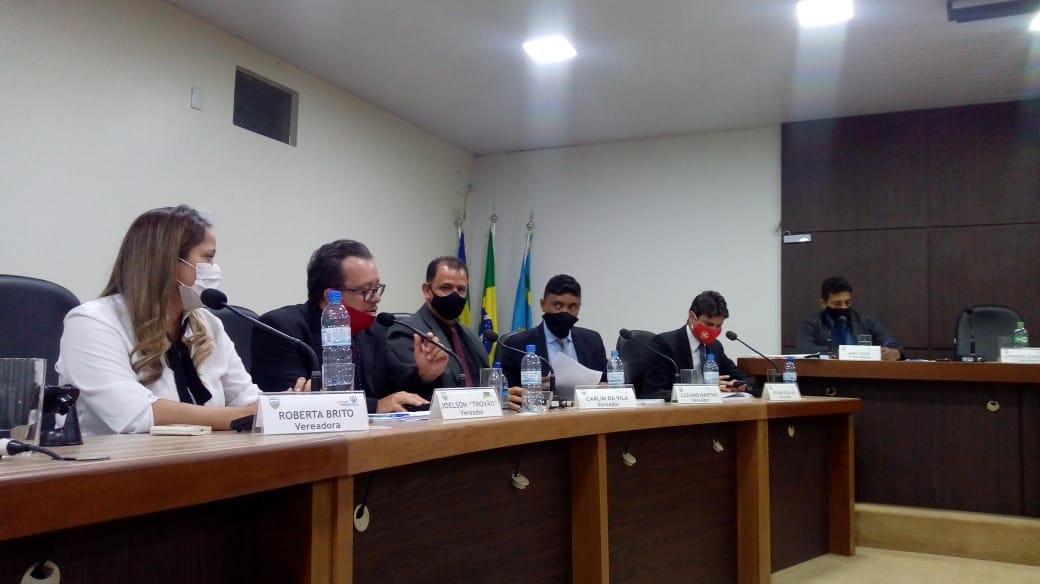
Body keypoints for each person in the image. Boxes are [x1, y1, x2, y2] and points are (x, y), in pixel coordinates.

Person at [56, 205, 259, 435]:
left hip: (200, 453)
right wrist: (239, 416)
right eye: (208, 258)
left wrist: (285, 407)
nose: (214, 269)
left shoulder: (207, 323)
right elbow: (134, 415)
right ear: (168, 262)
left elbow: (247, 399)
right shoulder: (91, 322)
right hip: (114, 456)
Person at [251, 240, 442, 412]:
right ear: (331, 296)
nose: (376, 298)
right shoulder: (281, 329)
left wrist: (424, 375)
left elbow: (395, 389)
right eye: (365, 291)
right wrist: (375, 406)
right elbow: (286, 404)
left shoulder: (371, 330)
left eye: (377, 287)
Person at [499, 274, 607, 409]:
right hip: (537, 417)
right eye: (557, 305)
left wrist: (603, 387)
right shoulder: (515, 344)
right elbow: (503, 394)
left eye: (572, 307)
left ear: (579, 307)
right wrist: (529, 391)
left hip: (586, 416)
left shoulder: (592, 341)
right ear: (542, 304)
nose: (564, 312)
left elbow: (609, 383)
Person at [386, 256, 488, 399]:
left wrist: (498, 396)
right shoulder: (406, 332)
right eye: (446, 288)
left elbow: (484, 384)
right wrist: (424, 377)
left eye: (461, 289)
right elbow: (403, 390)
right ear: (427, 290)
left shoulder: (471, 336)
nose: (455, 295)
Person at [642, 290, 749, 399]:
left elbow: (743, 380)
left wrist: (739, 386)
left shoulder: (715, 346)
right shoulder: (664, 344)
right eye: (709, 324)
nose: (714, 330)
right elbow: (653, 392)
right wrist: (704, 390)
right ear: (692, 317)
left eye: (718, 326)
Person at [796, 276, 903, 361]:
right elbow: (804, 348)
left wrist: (895, 353)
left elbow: (891, 344)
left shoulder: (868, 320)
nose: (844, 307)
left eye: (847, 302)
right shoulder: (812, 323)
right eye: (837, 303)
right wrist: (840, 353)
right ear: (823, 303)